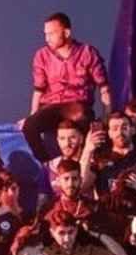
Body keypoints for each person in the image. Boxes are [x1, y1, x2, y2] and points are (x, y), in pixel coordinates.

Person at [21, 12, 112, 162]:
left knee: (84, 119)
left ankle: (87, 162)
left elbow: (104, 87)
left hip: (77, 105)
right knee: (29, 126)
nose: (47, 38)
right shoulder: (41, 55)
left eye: (51, 33)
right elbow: (38, 89)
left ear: (67, 33)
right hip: (51, 106)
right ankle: (48, 164)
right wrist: (32, 115)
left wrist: (107, 115)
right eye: (45, 34)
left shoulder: (87, 52)